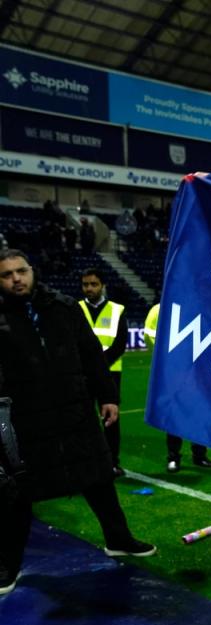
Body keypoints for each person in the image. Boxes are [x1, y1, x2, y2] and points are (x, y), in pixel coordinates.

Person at [0, 249, 155, 595]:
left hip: (75, 410)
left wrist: (108, 396)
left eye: (21, 271)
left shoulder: (63, 307)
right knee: (18, 492)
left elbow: (91, 355)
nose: (16, 279)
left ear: (32, 271)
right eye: (7, 275)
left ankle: (118, 538)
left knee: (98, 476)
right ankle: (8, 565)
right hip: (26, 417)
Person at [142, 302, 211, 472]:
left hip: (197, 369)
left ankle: (199, 455)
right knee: (174, 413)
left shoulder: (196, 305)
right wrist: (171, 357)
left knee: (198, 412)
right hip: (173, 370)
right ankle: (174, 457)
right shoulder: (158, 309)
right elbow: (149, 335)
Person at [78, 267, 127, 476]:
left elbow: (120, 344)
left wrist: (97, 365)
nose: (89, 288)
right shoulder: (74, 308)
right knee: (81, 419)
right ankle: (86, 463)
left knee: (111, 421)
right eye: (85, 284)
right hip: (81, 375)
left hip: (109, 374)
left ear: (102, 285)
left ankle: (112, 462)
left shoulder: (118, 310)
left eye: (93, 284)